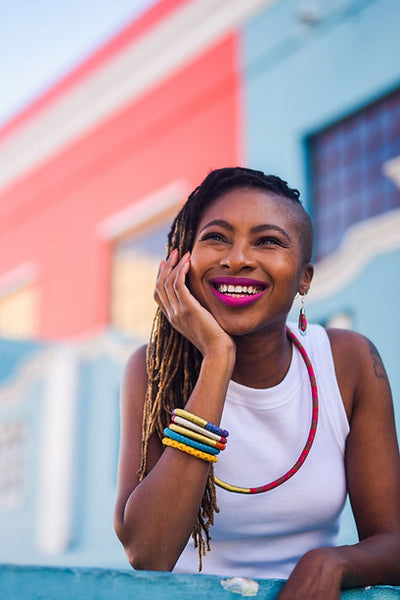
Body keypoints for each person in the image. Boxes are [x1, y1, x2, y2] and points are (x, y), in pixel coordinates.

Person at [114, 167, 400, 599]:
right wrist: (217, 358)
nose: (237, 258)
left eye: (267, 241)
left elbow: (392, 541)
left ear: (305, 277)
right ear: (179, 262)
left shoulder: (349, 361)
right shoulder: (153, 369)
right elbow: (148, 553)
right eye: (216, 237)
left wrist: (332, 561)